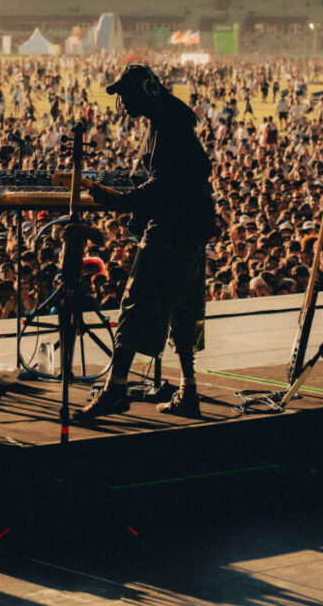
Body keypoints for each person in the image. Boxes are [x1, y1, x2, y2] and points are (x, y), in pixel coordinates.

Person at [71, 65, 217, 423]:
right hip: (190, 229)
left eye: (126, 94)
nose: (122, 102)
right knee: (182, 310)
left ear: (145, 92)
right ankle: (189, 392)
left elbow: (163, 186)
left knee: (134, 308)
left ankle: (115, 390)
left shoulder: (167, 126)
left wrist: (115, 199)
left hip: (171, 231)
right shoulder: (168, 118)